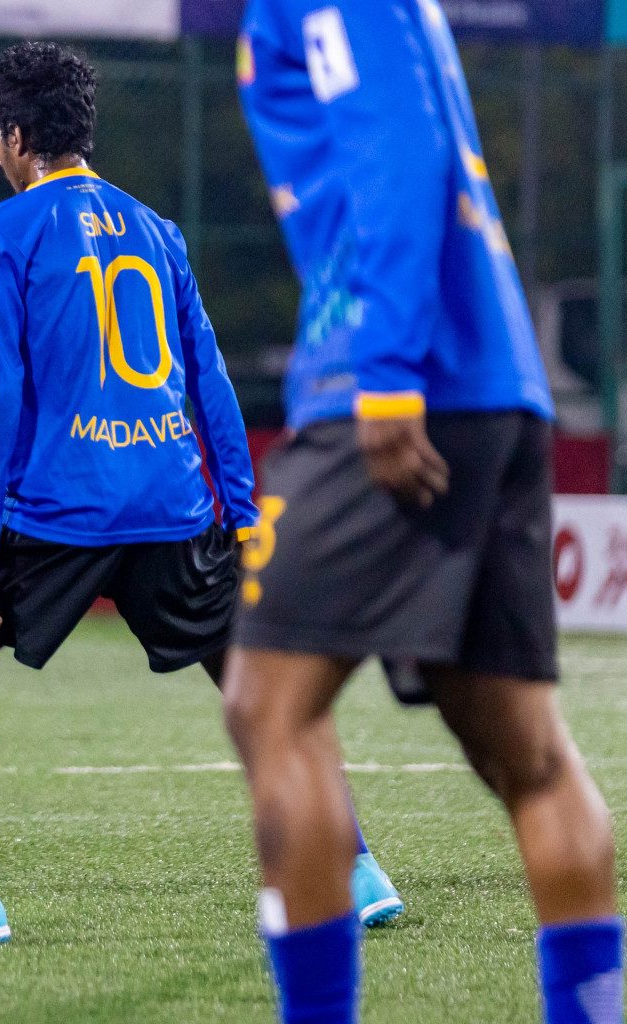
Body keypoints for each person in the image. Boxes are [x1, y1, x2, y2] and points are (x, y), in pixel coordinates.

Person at [0, 42, 399, 945]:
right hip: (175, 504)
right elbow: (209, 382)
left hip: (58, 514)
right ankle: (355, 869)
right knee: (263, 693)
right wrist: (239, 511)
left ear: (18, 135)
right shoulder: (157, 228)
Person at [231, 2, 620, 1021]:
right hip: (495, 382)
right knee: (526, 751)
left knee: (267, 705)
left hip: (406, 380)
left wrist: (388, 374)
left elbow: (399, 146)